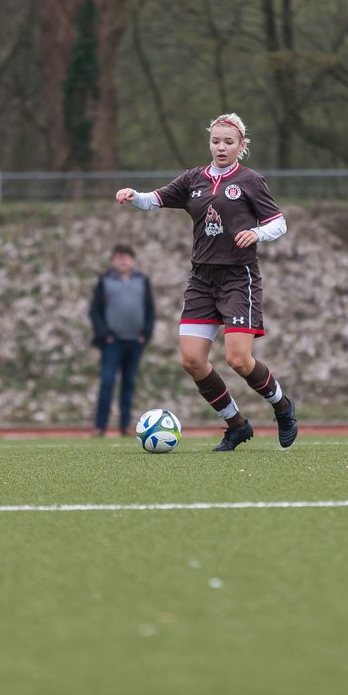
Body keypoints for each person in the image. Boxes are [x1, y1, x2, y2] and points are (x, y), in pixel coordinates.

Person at [114, 112, 298, 451]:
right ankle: (236, 424)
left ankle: (283, 407)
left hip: (237, 278)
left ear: (242, 145)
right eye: (216, 141)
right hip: (201, 279)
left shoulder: (250, 180)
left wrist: (256, 232)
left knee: (239, 360)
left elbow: (279, 223)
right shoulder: (193, 179)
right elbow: (154, 200)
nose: (221, 147)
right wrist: (132, 194)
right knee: (192, 361)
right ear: (209, 143)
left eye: (229, 142)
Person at [89, 244, 155, 437]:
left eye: (126, 257)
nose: (122, 260)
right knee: (107, 382)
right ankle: (100, 426)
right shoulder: (105, 281)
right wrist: (104, 334)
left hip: (135, 341)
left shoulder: (142, 280)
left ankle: (125, 426)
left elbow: (149, 309)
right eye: (118, 257)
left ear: (132, 260)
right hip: (112, 342)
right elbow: (95, 311)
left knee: (129, 383)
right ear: (113, 260)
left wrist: (146, 333)